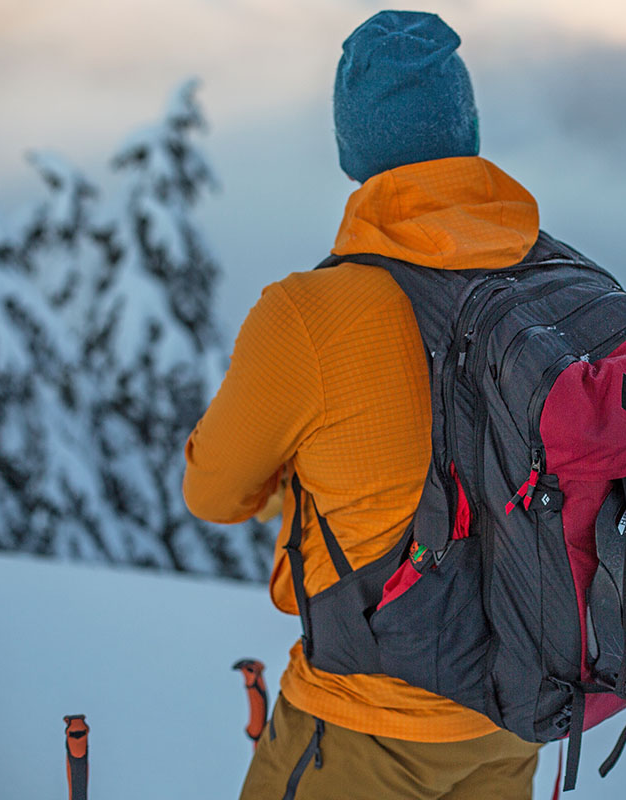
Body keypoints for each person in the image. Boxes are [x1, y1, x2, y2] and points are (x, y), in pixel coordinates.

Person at [182, 11, 545, 799]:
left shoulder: (309, 314)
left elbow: (211, 492)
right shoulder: (544, 285)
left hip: (359, 729)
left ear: (354, 147)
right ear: (466, 127)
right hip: (513, 724)